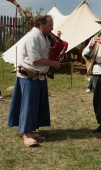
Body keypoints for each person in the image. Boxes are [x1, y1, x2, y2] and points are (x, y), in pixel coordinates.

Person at [7, 15, 61, 147]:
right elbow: (34, 59)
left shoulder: (44, 37)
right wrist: (52, 63)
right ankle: (26, 134)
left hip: (40, 76)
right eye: (50, 25)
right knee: (28, 105)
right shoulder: (32, 37)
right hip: (29, 77)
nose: (52, 28)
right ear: (41, 25)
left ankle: (31, 130)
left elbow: (49, 50)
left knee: (36, 105)